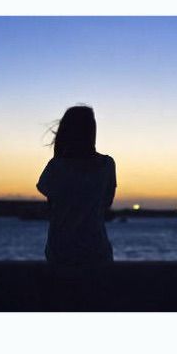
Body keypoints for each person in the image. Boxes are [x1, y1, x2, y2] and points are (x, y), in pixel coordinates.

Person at [36, 105, 116, 264]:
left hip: (61, 251)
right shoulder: (107, 165)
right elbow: (106, 203)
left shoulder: (56, 166)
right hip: (97, 250)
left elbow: (52, 204)